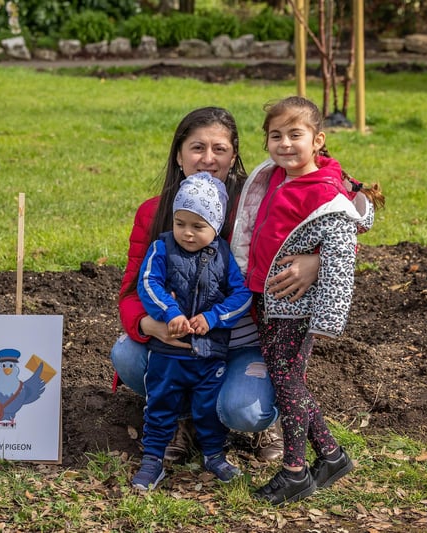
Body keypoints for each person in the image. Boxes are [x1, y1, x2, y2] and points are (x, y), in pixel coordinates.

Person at [110, 106, 376, 465]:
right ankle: (181, 417)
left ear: (234, 155)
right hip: (183, 339)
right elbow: (130, 289)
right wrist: (148, 325)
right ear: (178, 154)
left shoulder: (259, 199)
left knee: (244, 411)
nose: (207, 158)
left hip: (246, 340)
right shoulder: (155, 213)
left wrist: (319, 261)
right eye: (196, 147)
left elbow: (337, 203)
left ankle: (266, 416)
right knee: (126, 353)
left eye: (219, 149)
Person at [247, 96, 385, 506]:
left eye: (296, 135)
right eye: (276, 136)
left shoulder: (323, 192)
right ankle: (331, 455)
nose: (285, 143)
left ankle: (294, 470)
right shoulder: (278, 176)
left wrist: (327, 318)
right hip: (270, 298)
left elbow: (342, 254)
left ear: (318, 140)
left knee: (287, 383)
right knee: (288, 380)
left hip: (296, 305)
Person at [131, 173, 253, 490]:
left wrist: (213, 317)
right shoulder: (162, 248)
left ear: (216, 226)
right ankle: (152, 460)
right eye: (180, 222)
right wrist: (170, 313)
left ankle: (214, 455)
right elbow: (147, 284)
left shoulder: (224, 255)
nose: (187, 233)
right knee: (159, 405)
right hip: (168, 353)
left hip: (210, 354)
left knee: (209, 408)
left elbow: (242, 296)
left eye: (198, 227)